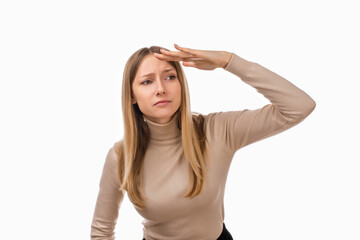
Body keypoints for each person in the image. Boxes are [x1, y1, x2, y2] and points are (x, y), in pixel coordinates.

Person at [90, 44, 316, 240]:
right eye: (147, 81)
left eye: (170, 76)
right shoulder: (121, 155)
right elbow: (101, 231)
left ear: (181, 83)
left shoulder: (217, 131)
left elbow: (299, 107)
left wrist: (228, 61)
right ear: (131, 95)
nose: (161, 89)